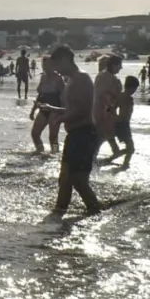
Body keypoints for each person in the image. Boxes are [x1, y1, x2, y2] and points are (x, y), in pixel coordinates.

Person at [37, 46, 101, 215]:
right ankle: (58, 213)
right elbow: (71, 108)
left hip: (84, 134)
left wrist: (60, 119)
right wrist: (53, 108)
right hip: (75, 134)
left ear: (65, 59)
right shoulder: (71, 80)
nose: (56, 69)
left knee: (79, 181)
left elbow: (83, 110)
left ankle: (95, 212)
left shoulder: (81, 78)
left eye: (57, 64)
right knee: (64, 179)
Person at [28, 55, 65, 153]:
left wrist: (63, 113)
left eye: (47, 65)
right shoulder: (43, 77)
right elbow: (40, 95)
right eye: (43, 65)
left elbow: (64, 97)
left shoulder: (58, 79)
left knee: (53, 137)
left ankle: (55, 155)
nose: (45, 67)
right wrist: (33, 111)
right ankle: (40, 151)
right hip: (43, 109)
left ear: (53, 65)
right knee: (35, 133)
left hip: (55, 110)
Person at [94, 55, 125, 162]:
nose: (121, 68)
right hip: (103, 112)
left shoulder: (111, 77)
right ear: (113, 65)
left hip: (108, 112)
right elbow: (102, 95)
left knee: (105, 135)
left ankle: (114, 151)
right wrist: (110, 108)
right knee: (100, 136)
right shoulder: (104, 76)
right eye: (119, 66)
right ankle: (91, 160)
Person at [112, 76, 139, 170]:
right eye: (134, 89)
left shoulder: (128, 98)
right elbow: (112, 108)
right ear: (130, 87)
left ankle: (119, 159)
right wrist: (116, 118)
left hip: (125, 124)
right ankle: (124, 163)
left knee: (130, 148)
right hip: (122, 125)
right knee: (131, 148)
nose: (134, 91)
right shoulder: (121, 96)